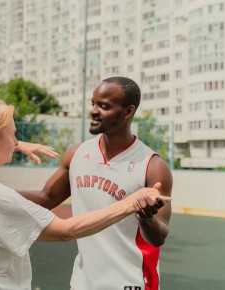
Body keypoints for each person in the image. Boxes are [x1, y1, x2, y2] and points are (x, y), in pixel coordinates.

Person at [0, 96, 170, 290]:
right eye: (14, 135)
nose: (17, 141)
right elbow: (66, 231)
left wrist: (17, 145)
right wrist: (130, 203)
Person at [20, 76, 173, 290]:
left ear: (128, 111)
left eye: (104, 106)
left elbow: (159, 237)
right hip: (83, 281)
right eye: (93, 103)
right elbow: (46, 197)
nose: (93, 111)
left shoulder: (153, 166)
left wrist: (146, 217)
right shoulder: (77, 153)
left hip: (130, 282)